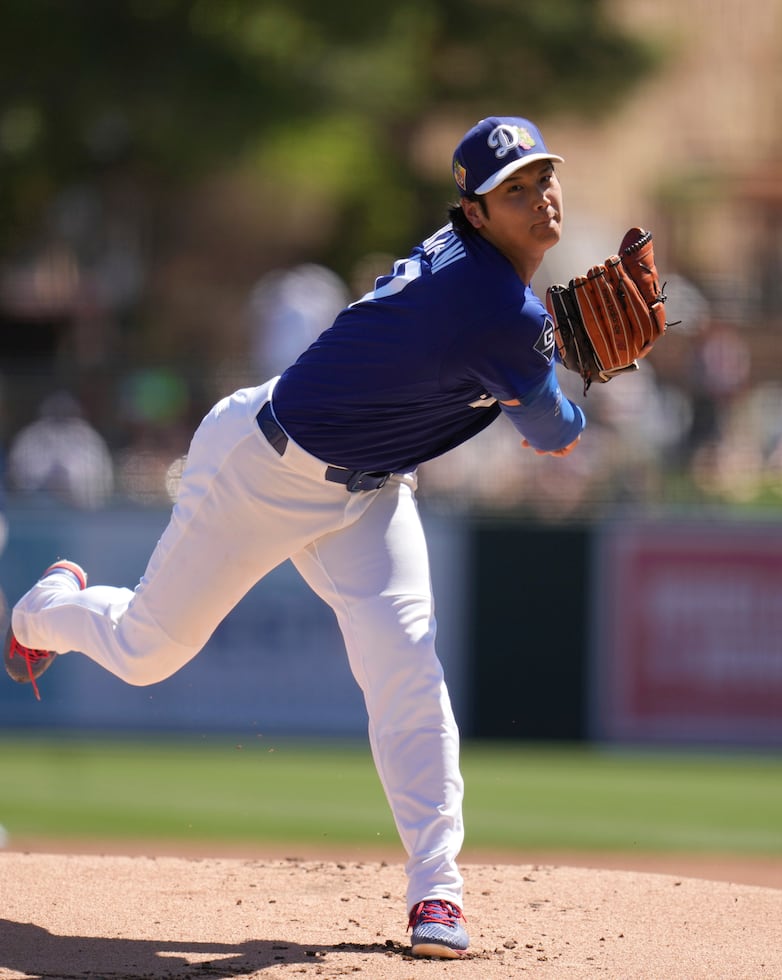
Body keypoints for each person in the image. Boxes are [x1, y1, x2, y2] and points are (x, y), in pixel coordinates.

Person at [4, 115, 584, 959]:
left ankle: (438, 892)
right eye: (515, 191)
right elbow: (555, 432)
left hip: (370, 489)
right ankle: (44, 610)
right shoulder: (494, 304)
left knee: (405, 663)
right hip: (260, 472)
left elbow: (508, 362)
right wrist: (572, 364)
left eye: (543, 178)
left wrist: (551, 347)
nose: (540, 199)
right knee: (144, 651)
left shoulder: (490, 286)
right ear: (474, 210)